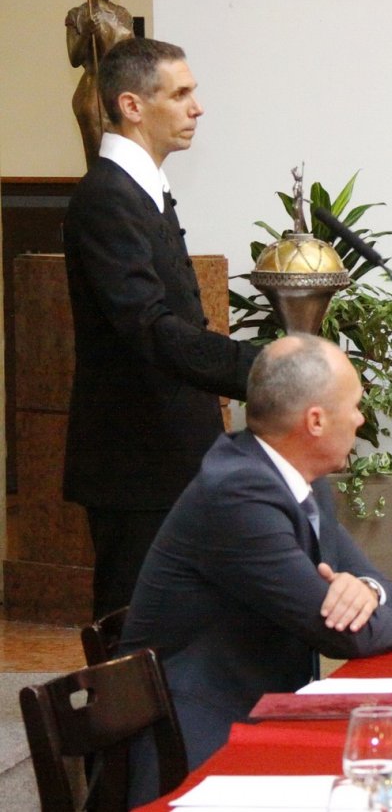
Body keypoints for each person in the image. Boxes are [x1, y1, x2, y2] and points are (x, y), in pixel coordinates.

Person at [120, 334, 392, 802]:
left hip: (261, 710)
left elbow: (380, 589)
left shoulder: (297, 477)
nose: (360, 418)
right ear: (315, 420)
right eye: (354, 406)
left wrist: (367, 589)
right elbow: (341, 633)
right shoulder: (238, 493)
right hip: (198, 743)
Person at [63, 36, 263, 621]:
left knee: (178, 625)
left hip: (165, 452)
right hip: (135, 461)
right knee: (133, 631)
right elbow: (149, 327)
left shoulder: (140, 190)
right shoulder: (107, 197)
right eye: (180, 94)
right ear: (132, 105)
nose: (196, 107)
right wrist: (262, 369)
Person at [65, 0, 134, 167]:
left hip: (120, 89)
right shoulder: (79, 15)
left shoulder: (123, 15)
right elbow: (74, 59)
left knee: (123, 159)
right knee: (99, 159)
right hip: (94, 90)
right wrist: (86, 33)